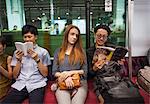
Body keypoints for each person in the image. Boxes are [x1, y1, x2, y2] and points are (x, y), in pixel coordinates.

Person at [87, 24, 144, 104]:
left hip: (116, 78)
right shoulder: (89, 52)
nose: (101, 38)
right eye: (99, 36)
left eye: (104, 36)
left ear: (107, 37)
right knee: (112, 99)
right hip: (100, 80)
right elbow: (88, 75)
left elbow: (118, 70)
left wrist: (119, 64)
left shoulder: (112, 48)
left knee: (136, 97)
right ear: (94, 35)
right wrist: (94, 68)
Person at [1, 24, 51, 104]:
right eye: (25, 37)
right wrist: (19, 60)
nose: (27, 40)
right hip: (21, 83)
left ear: (35, 37)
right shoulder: (17, 52)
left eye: (29, 37)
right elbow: (15, 75)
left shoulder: (43, 52)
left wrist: (37, 59)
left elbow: (45, 74)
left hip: (37, 84)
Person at [52, 24, 88, 104]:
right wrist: (66, 78)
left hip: (80, 82)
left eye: (77, 35)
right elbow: (54, 72)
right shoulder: (58, 51)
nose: (75, 37)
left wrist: (69, 73)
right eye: (72, 34)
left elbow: (85, 72)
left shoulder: (82, 51)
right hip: (63, 82)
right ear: (66, 35)